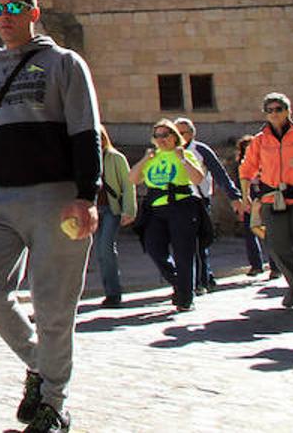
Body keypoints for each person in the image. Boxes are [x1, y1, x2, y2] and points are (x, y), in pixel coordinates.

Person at [0, 0, 101, 433]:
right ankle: (42, 364)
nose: (6, 16)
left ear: (33, 13)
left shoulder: (64, 64)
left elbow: (85, 131)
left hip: (56, 196)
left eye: (16, 7)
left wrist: (87, 195)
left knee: (54, 304)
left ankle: (53, 403)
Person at [237, 92, 293, 317]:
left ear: (288, 111)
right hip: (271, 199)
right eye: (269, 110)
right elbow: (247, 168)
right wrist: (245, 196)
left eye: (278, 109)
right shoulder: (260, 140)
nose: (274, 114)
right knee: (276, 246)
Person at [130, 120, 206, 311]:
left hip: (181, 207)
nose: (162, 139)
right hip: (156, 209)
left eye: (166, 135)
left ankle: (185, 298)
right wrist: (145, 160)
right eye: (158, 136)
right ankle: (179, 284)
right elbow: (133, 178)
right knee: (153, 247)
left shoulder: (185, 154)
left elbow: (197, 178)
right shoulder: (153, 157)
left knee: (183, 253)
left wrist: (182, 159)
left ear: (175, 136)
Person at [172, 117, 243, 294]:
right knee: (185, 244)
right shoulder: (167, 152)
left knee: (199, 243)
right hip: (177, 202)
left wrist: (234, 196)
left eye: (183, 133)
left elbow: (219, 174)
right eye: (176, 133)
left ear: (191, 134)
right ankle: (201, 278)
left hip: (200, 200)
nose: (179, 137)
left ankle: (201, 280)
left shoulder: (200, 150)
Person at [92, 127, 136, 307]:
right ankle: (109, 290)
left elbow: (128, 184)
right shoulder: (87, 158)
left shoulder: (116, 157)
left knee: (106, 248)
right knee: (99, 252)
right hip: (94, 210)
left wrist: (129, 210)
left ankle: (113, 293)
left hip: (112, 209)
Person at [233, 134, 272, 277]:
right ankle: (256, 265)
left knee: (270, 231)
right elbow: (239, 182)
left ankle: (275, 266)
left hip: (264, 197)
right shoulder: (241, 164)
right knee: (251, 232)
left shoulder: (266, 161)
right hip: (249, 198)